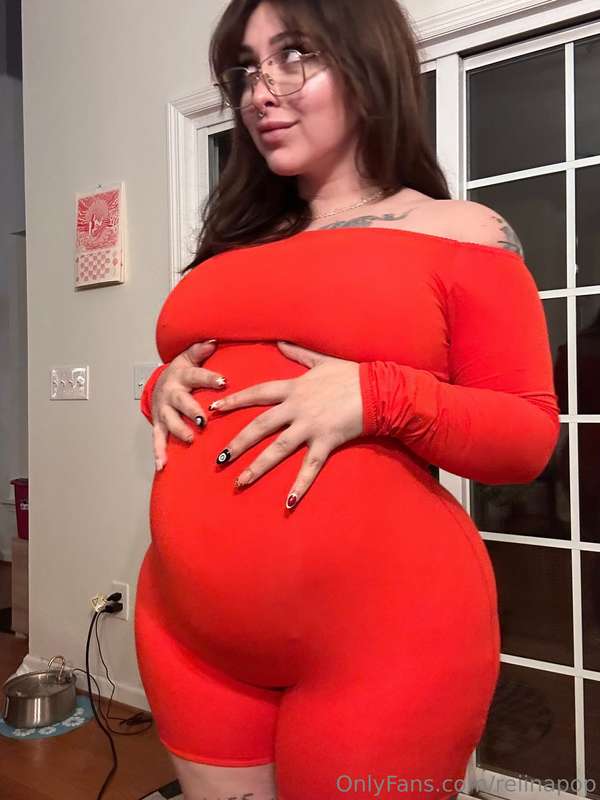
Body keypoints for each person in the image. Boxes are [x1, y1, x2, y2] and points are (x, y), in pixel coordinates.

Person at [133, 1, 560, 798]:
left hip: (385, 641)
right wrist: (159, 388)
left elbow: (526, 436)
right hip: (188, 631)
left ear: (368, 63)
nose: (260, 90)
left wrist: (379, 392)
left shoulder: (462, 230)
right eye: (246, 69)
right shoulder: (232, 242)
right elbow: (208, 369)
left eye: (294, 54)